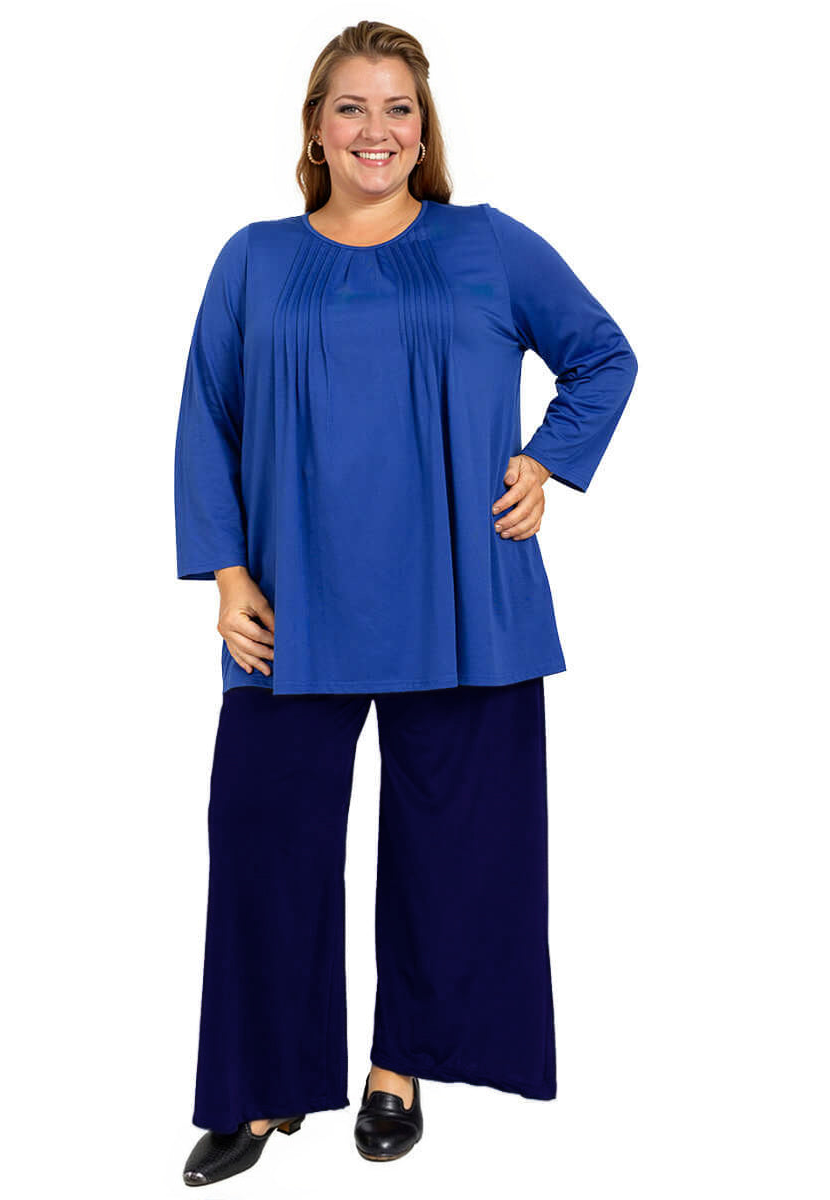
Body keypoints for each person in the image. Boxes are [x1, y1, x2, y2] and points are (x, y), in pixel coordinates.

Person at [174, 20, 638, 1186]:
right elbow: (207, 418)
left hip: (467, 597)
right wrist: (227, 573)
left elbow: (603, 354)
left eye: (398, 108)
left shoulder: (488, 244)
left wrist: (547, 460)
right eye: (352, 106)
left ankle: (402, 1066)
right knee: (264, 848)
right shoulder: (253, 260)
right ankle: (265, 1086)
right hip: (290, 606)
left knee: (457, 855)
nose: (375, 130)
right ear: (315, 128)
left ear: (424, 130)